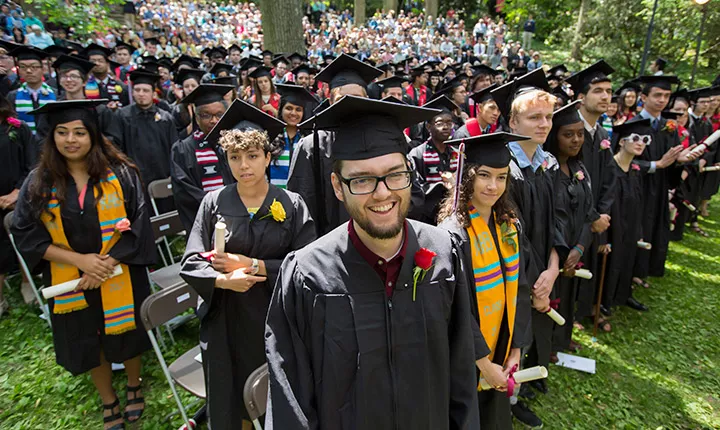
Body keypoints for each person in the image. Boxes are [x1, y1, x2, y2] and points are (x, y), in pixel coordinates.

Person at [265, 95, 480, 430]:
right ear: (338, 186)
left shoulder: (444, 254)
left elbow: (462, 373)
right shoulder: (307, 274)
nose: (382, 193)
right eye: (362, 180)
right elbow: (289, 398)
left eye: (394, 175)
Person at [12, 99, 156, 430]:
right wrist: (81, 262)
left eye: (79, 131)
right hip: (70, 278)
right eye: (62, 132)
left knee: (127, 333)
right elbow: (26, 233)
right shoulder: (39, 182)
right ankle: (109, 400)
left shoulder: (121, 173)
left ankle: (134, 384)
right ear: (52, 138)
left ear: (92, 135)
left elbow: (139, 222)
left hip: (119, 269)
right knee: (87, 339)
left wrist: (106, 263)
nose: (71, 139)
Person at [180, 123, 316, 430]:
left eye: (252, 155)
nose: (243, 165)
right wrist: (221, 281)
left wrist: (255, 265)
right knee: (230, 393)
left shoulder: (291, 204)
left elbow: (307, 265)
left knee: (280, 392)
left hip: (277, 314)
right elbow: (190, 261)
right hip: (227, 316)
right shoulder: (213, 203)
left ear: (268, 158)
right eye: (234, 157)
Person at [437, 132, 532, 429]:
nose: (493, 186)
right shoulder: (453, 232)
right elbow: (453, 307)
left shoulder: (508, 226)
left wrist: (516, 348)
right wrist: (484, 363)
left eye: (502, 178)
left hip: (502, 347)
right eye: (485, 176)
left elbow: (521, 289)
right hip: (467, 357)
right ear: (468, 177)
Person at [491, 69, 560, 428]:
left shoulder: (546, 163)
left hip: (542, 273)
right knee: (510, 340)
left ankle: (515, 396)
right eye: (535, 117)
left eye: (548, 116)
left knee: (529, 336)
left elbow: (556, 220)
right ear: (513, 119)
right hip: (515, 276)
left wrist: (554, 265)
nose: (544, 124)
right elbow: (513, 234)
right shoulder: (504, 168)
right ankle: (504, 402)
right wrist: (538, 281)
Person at [287, 53, 382, 236]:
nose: (350, 105)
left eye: (357, 98)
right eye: (341, 100)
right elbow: (302, 204)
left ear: (368, 100)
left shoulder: (379, 143)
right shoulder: (310, 147)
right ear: (330, 102)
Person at [563, 61, 618, 326]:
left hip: (594, 218)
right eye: (598, 90)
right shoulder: (570, 133)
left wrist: (602, 214)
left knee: (587, 267)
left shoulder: (603, 134)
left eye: (608, 90)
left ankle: (580, 313)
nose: (606, 96)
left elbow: (609, 178)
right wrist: (592, 215)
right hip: (573, 216)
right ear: (581, 97)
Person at [632, 75, 697, 286]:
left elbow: (671, 159)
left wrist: (680, 160)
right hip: (638, 187)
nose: (662, 100)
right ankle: (632, 271)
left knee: (656, 225)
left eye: (666, 96)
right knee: (639, 226)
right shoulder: (633, 126)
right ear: (644, 97)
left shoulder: (667, 126)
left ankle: (648, 267)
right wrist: (656, 165)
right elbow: (622, 164)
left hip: (659, 187)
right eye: (657, 95)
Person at [543, 101, 594, 357]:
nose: (576, 140)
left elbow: (589, 214)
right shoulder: (545, 172)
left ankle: (563, 338)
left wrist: (581, 246)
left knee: (569, 294)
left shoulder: (580, 169)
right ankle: (548, 344)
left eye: (580, 134)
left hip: (576, 247)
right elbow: (546, 217)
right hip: (554, 250)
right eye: (568, 134)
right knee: (553, 296)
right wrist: (564, 251)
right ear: (554, 136)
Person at [170, 85, 237, 232]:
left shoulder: (233, 145)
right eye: (206, 115)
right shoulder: (182, 149)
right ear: (197, 117)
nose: (213, 120)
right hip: (204, 220)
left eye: (219, 115)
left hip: (239, 218)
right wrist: (217, 207)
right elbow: (184, 191)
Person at [602, 119, 652, 314]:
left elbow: (638, 205)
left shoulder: (634, 171)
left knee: (628, 258)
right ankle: (605, 300)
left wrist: (638, 230)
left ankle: (623, 294)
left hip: (629, 227)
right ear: (621, 141)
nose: (640, 143)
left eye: (644, 140)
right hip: (612, 228)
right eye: (635, 138)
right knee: (611, 263)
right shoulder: (609, 169)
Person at [116, 70, 178, 213]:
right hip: (136, 175)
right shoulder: (122, 116)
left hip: (162, 173)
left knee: (165, 209)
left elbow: (174, 148)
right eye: (137, 90)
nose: (141, 94)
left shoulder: (165, 118)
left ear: (153, 93)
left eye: (145, 90)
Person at [0, 93, 34, 314]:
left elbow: (33, 162)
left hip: (17, 196)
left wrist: (18, 191)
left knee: (23, 238)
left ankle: (27, 282)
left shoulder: (17, 129)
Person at [408, 95, 461, 224]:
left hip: (454, 214)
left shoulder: (457, 153)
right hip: (428, 217)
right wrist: (442, 186)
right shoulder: (417, 154)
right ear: (428, 127)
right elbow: (416, 187)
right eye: (440, 123)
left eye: (449, 123)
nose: (445, 127)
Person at [269, 84, 317, 189]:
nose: (293, 113)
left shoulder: (309, 139)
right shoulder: (271, 137)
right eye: (289, 108)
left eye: (298, 109)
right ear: (281, 110)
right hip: (275, 197)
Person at [6, 46, 57, 135]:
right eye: (23, 67)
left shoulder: (56, 95)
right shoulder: (12, 96)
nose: (29, 71)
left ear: (42, 69)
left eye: (34, 67)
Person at [82, 44, 130, 111]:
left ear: (107, 64)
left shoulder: (121, 87)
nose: (97, 64)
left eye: (100, 61)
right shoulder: (83, 87)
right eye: (93, 61)